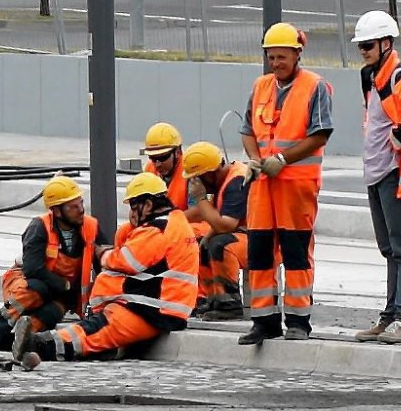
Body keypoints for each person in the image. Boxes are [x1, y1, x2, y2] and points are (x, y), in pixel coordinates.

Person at [24, 173, 198, 362]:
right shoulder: (173, 222)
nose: (132, 213)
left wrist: (103, 254)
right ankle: (48, 344)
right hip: (155, 306)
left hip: (149, 309)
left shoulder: (157, 229)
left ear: (148, 205)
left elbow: (125, 260)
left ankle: (39, 345)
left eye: (134, 207)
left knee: (92, 332)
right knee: (97, 332)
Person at [238, 22, 334, 345]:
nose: (276, 63)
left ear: (297, 55)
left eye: (281, 57)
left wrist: (283, 159)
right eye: (271, 57)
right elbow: (248, 131)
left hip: (296, 185)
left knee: (295, 254)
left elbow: (320, 134)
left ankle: (298, 321)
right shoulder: (260, 86)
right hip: (263, 185)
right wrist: (255, 160)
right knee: (260, 254)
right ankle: (264, 321)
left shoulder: (314, 87)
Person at [351, 10, 401, 345]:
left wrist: (398, 139)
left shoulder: (400, 75)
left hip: (393, 172)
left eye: (368, 45)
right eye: (360, 46)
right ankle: (390, 315)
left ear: (386, 43)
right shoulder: (371, 76)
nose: (363, 51)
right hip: (375, 172)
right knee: (389, 249)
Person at [0, 175, 99, 356]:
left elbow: (102, 259)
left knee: (53, 312)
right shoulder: (39, 227)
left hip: (59, 292)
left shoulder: (90, 227)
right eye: (73, 207)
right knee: (37, 289)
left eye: (81, 203)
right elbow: (33, 270)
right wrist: (64, 285)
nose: (81, 210)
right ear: (57, 211)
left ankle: (13, 341)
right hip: (25, 282)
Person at [181, 141, 252, 321]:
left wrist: (200, 198)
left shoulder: (237, 181)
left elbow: (226, 225)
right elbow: (215, 216)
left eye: (198, 178)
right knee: (203, 245)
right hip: (244, 235)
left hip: (262, 240)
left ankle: (230, 305)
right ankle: (214, 299)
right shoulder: (224, 181)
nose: (196, 184)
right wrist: (205, 237)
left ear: (210, 173)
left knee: (221, 246)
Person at [142, 122, 189, 210]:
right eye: (153, 158)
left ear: (178, 152)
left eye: (162, 157)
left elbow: (200, 211)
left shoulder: (191, 171)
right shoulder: (149, 169)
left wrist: (169, 217)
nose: (157, 164)